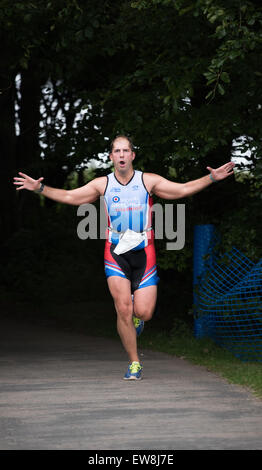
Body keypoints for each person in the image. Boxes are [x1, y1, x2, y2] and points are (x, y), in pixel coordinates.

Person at [13, 135, 235, 380]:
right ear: (111, 157)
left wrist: (212, 177)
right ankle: (134, 362)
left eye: (125, 150)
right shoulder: (102, 185)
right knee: (123, 309)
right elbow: (70, 196)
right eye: (116, 151)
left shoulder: (147, 181)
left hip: (144, 251)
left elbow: (181, 190)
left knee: (144, 312)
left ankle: (138, 319)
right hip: (115, 252)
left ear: (132, 155)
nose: (120, 155)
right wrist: (40, 188)